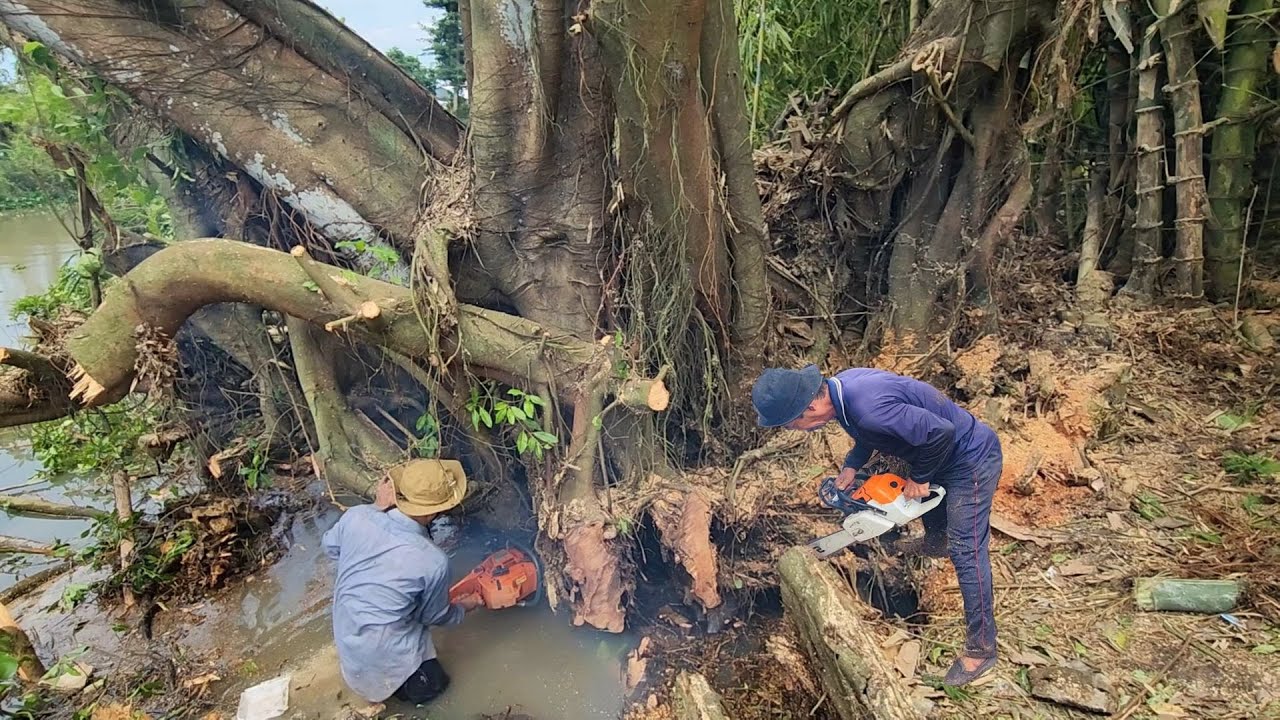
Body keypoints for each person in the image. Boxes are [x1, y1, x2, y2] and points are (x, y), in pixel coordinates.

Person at [751, 364, 1003, 686]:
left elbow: (941, 432)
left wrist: (920, 478)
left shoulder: (869, 408)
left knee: (968, 551)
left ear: (809, 408)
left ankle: (981, 650)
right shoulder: (842, 391)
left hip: (970, 459)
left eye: (792, 425)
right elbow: (868, 436)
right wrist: (852, 466)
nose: (797, 431)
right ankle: (937, 543)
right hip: (936, 455)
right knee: (940, 535)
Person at [322, 458, 483, 705]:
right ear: (432, 512)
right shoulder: (433, 561)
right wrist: (469, 604)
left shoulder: (358, 516)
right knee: (439, 691)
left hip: (350, 650)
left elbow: (331, 547)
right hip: (388, 667)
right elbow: (435, 617)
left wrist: (376, 508)